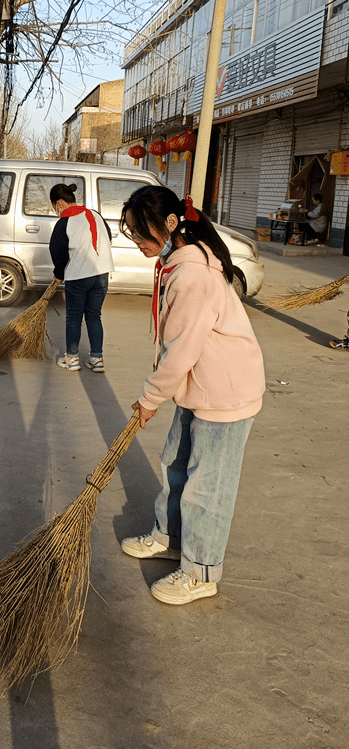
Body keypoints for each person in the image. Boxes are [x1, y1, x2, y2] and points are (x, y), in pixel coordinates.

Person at [118, 185, 265, 605]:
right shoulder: (179, 264)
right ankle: (170, 536)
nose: (137, 240)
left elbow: (180, 350)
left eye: (141, 231)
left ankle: (201, 573)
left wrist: (150, 398)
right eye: (131, 232)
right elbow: (178, 346)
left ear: (171, 224)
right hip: (198, 387)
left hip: (226, 393)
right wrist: (160, 390)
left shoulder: (193, 275)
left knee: (208, 489)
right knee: (176, 465)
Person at [48, 182, 114, 372]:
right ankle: (97, 360)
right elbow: (107, 237)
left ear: (59, 203)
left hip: (78, 276)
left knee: (74, 318)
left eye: (54, 206)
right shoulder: (95, 214)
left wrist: (59, 274)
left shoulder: (64, 222)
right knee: (94, 316)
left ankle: (72, 359)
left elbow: (57, 251)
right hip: (102, 274)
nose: (55, 210)